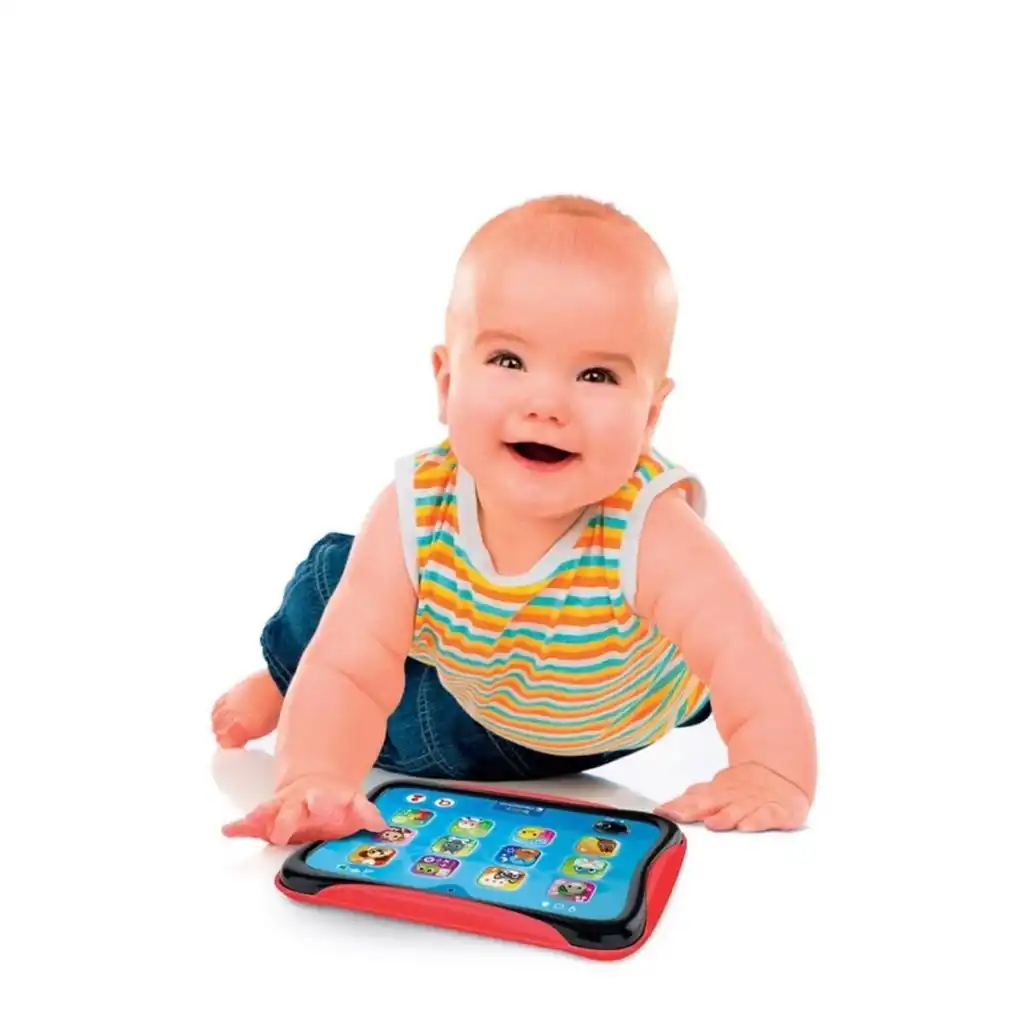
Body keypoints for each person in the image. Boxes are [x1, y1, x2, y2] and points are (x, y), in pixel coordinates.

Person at [212, 194, 816, 845]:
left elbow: (747, 649)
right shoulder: (416, 512)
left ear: (649, 415)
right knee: (347, 586)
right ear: (447, 383)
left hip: (550, 717)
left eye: (596, 375)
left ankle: (292, 682)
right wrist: (313, 780)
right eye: (508, 361)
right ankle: (287, 680)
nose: (546, 403)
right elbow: (349, 671)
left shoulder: (651, 528)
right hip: (505, 676)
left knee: (388, 674)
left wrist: (770, 770)